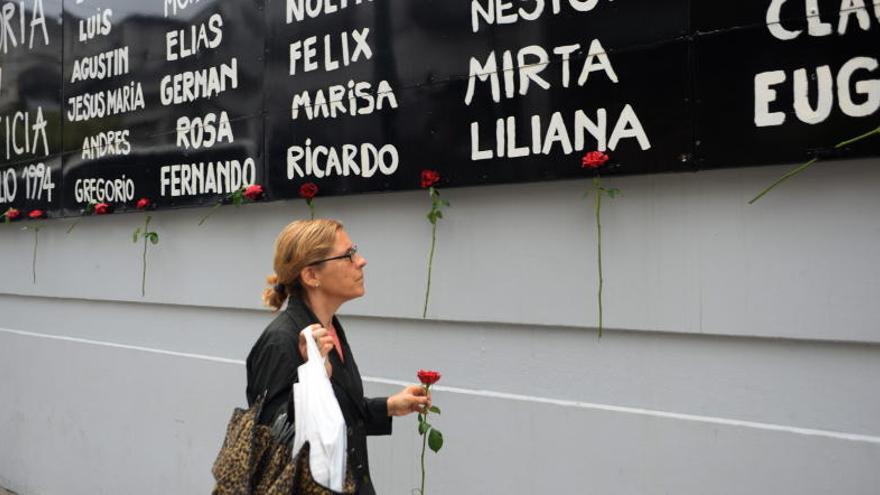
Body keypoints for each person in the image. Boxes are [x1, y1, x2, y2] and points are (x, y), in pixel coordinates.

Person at [246, 219, 430, 494]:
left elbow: (337, 416)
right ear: (311, 276)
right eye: (348, 255)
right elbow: (274, 443)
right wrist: (313, 376)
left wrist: (389, 406)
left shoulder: (328, 327)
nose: (361, 261)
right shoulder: (281, 342)